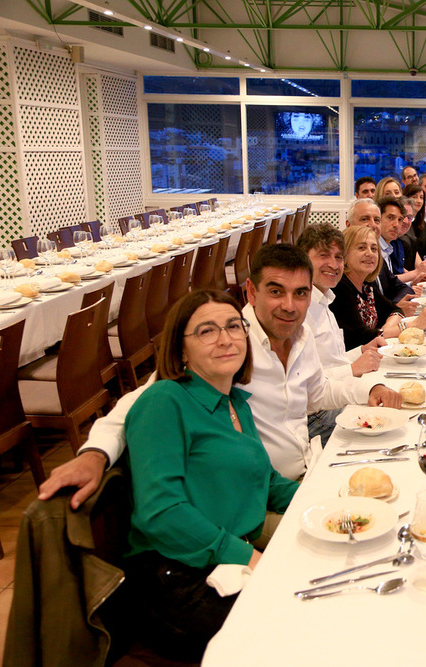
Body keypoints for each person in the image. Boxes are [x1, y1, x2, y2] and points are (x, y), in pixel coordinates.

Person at [38, 245, 401, 508]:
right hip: (253, 496)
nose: (289, 306)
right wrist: (95, 454)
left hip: (299, 474)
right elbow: (140, 402)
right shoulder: (225, 346)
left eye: (300, 294)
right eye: (276, 292)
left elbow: (318, 393)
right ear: (251, 292)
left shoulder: (300, 335)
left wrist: (371, 387)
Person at [123, 289, 300, 659]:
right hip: (177, 578)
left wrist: (321, 498)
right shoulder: (164, 401)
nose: (225, 339)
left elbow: (265, 482)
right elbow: (161, 511)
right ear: (181, 348)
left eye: (234, 326)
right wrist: (246, 556)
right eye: (206, 331)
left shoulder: (235, 403)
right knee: (291, 632)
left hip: (230, 552)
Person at [296, 224, 385, 442]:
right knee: (386, 423)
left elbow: (332, 362)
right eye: (323, 256)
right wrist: (353, 369)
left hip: (331, 399)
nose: (333, 264)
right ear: (302, 259)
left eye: (338, 257)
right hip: (314, 417)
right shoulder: (300, 310)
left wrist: (359, 352)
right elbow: (308, 387)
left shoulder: (324, 301)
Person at [331, 225, 426, 350]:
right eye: (361, 247)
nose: (370, 253)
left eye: (374, 249)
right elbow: (362, 337)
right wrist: (413, 324)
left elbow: (395, 310)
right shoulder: (340, 287)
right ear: (344, 254)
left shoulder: (365, 285)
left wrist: (385, 330)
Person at [377, 194, 426, 290]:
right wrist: (415, 273)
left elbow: (390, 283)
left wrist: (411, 284)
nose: (396, 224)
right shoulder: (376, 248)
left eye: (399, 219)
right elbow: (382, 288)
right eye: (390, 217)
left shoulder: (390, 245)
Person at [402, 183, 426, 259]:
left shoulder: (422, 223)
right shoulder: (403, 224)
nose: (419, 201)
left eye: (421, 198)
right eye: (414, 197)